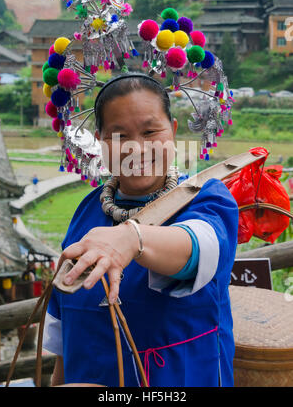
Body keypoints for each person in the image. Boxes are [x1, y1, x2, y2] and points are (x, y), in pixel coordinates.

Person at [43, 73, 239, 387]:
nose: (137, 147)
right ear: (100, 142)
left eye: (150, 131)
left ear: (173, 132)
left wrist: (132, 238)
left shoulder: (207, 198)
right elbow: (66, 332)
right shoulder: (85, 213)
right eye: (119, 135)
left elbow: (199, 244)